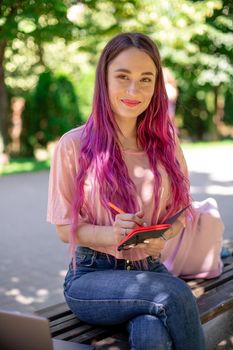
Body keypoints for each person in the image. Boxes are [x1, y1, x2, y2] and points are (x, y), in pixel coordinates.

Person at [47, 32, 206, 350]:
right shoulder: (73, 145)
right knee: (173, 294)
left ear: (157, 86)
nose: (135, 90)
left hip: (150, 269)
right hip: (92, 277)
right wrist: (112, 234)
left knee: (151, 331)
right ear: (103, 79)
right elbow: (65, 230)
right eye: (123, 76)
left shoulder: (166, 144)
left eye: (146, 79)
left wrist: (164, 235)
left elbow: (181, 212)